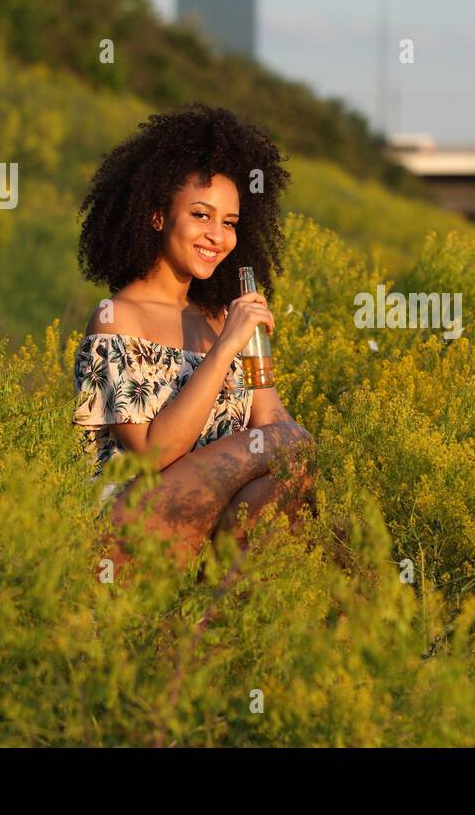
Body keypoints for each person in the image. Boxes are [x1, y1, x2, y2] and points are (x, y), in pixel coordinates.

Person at [73, 103, 314, 568]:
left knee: (285, 476)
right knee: (292, 448)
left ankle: (207, 626)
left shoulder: (224, 316)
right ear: (159, 215)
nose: (217, 236)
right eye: (201, 215)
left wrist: (243, 342)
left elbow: (274, 425)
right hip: (130, 525)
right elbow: (151, 456)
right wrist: (225, 347)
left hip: (204, 524)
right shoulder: (117, 317)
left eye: (229, 223)